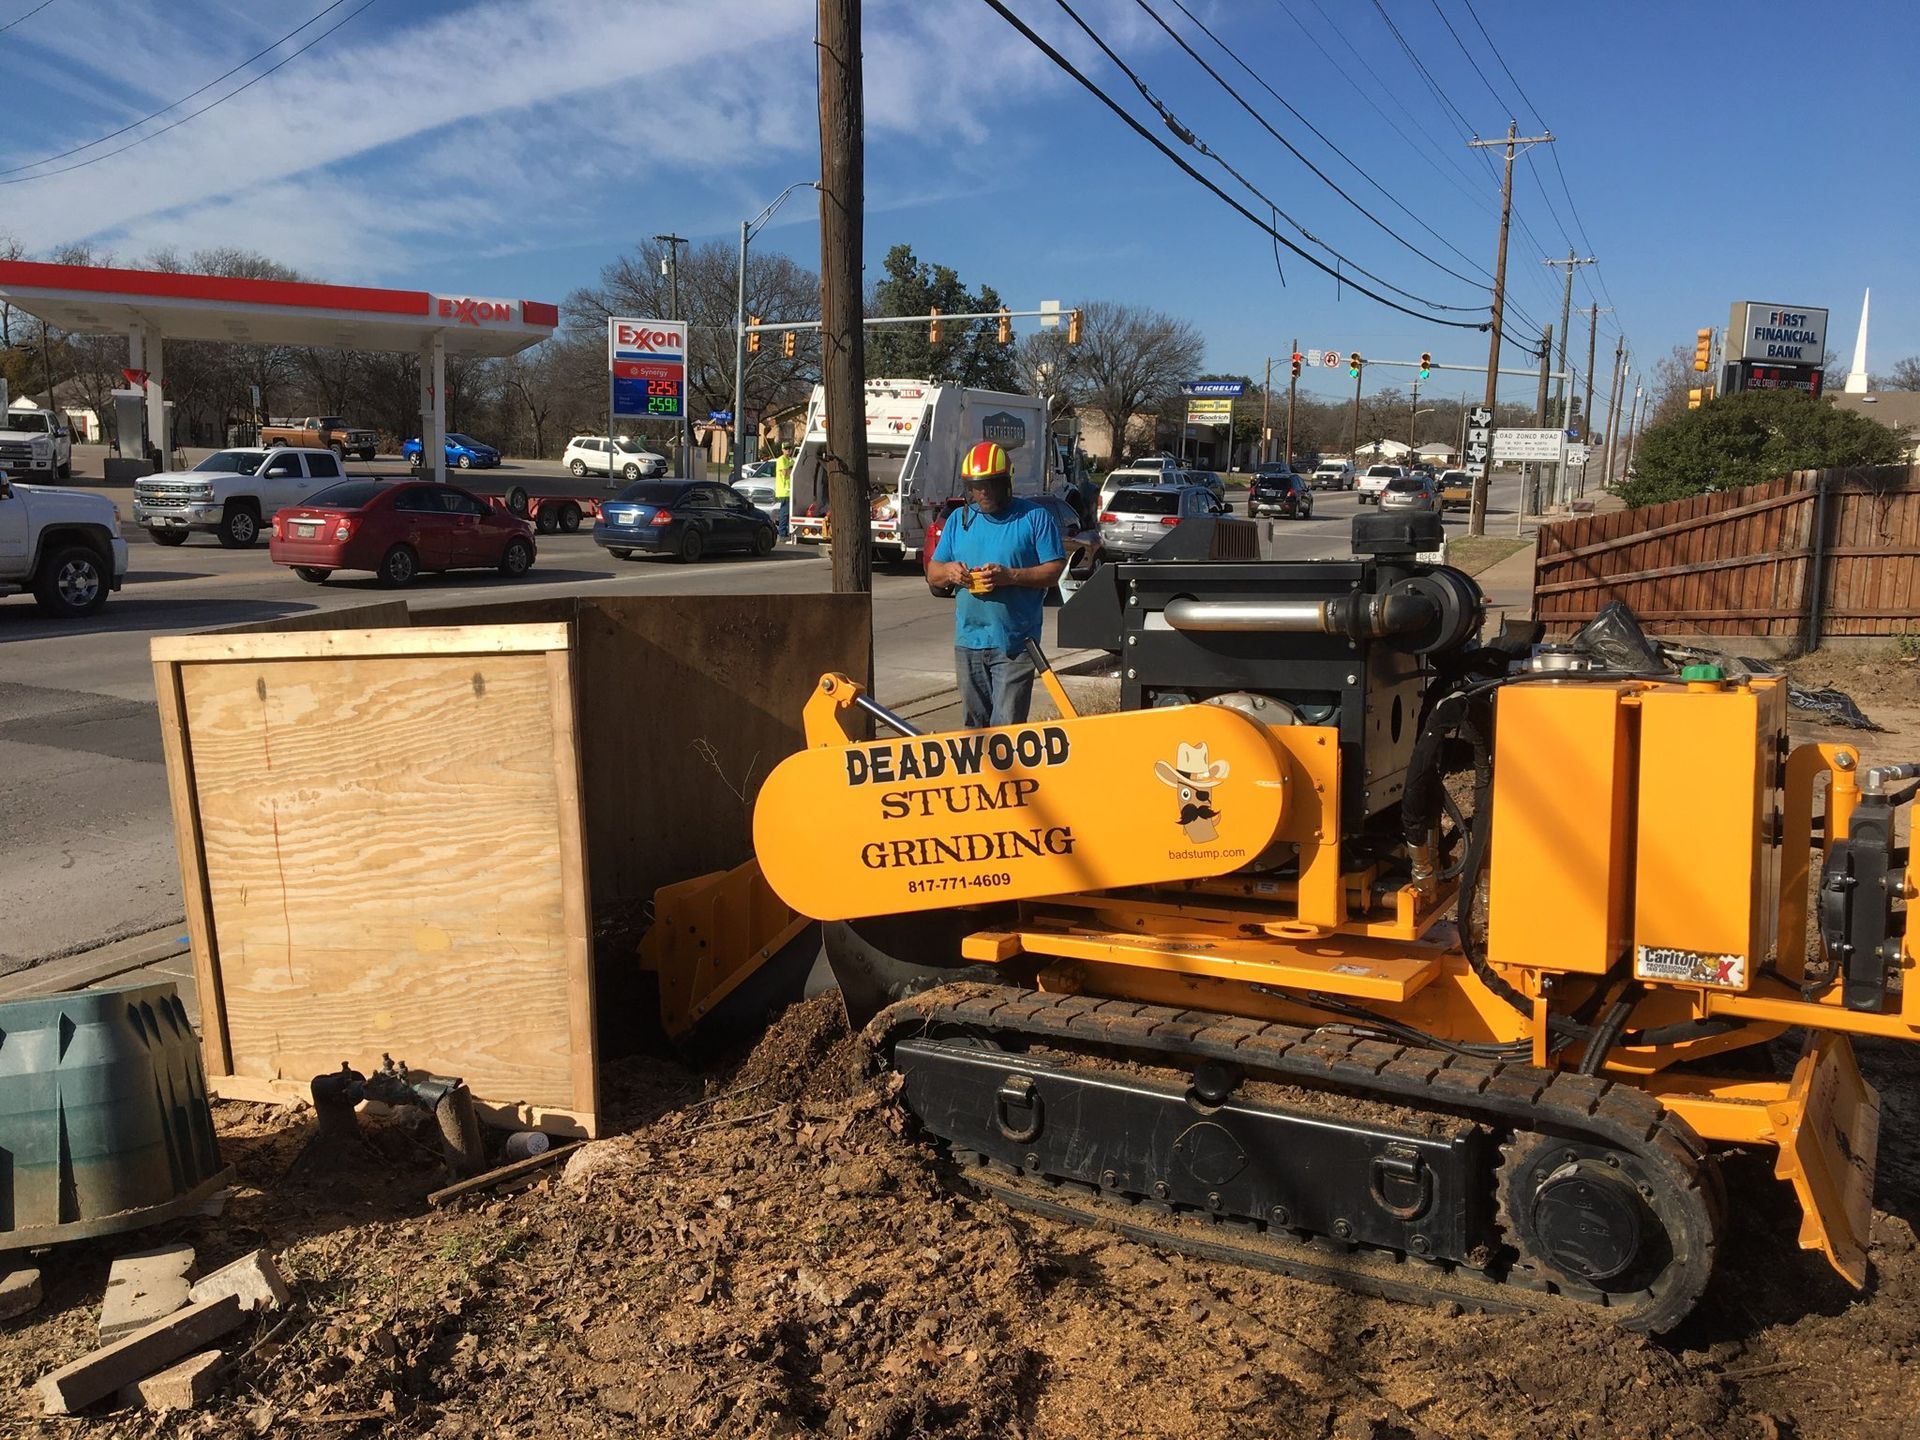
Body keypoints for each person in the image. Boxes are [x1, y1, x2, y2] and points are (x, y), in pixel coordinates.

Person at [926, 441, 1066, 727]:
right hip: (969, 641)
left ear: (1007, 482)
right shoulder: (958, 520)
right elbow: (933, 573)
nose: (984, 492)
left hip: (1014, 642)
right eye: (977, 486)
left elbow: (1054, 571)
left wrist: (1009, 576)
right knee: (974, 730)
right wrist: (950, 572)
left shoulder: (1034, 517)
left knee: (1006, 730)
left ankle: (1011, 774)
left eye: (991, 484)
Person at [772, 442, 795, 539]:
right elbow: (785, 473)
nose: (788, 450)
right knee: (784, 513)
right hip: (784, 491)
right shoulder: (781, 460)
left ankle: (785, 532)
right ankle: (782, 534)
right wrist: (791, 469)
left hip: (791, 490)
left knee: (789, 513)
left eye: (789, 448)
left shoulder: (790, 460)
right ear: (782, 450)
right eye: (786, 448)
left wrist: (791, 468)